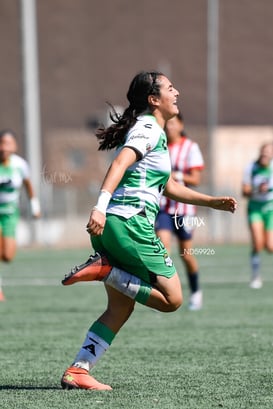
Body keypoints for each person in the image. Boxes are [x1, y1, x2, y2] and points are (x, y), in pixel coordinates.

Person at [61, 70, 237, 391]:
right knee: (172, 299)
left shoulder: (154, 131)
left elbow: (168, 185)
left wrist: (212, 202)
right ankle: (106, 271)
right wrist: (99, 205)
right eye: (171, 88)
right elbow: (119, 165)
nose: (178, 92)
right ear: (154, 100)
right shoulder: (146, 128)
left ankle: (79, 370)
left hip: (113, 225)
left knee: (120, 307)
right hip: (129, 223)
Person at [155, 113, 205, 311]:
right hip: (164, 209)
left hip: (185, 211)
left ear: (181, 124)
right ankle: (163, 294)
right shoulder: (160, 145)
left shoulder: (191, 147)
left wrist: (176, 175)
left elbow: (196, 179)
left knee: (186, 254)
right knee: (162, 250)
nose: (170, 127)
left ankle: (196, 292)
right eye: (167, 124)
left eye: (174, 123)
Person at [0, 129, 41, 301]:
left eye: (8, 143)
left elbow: (28, 185)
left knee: (7, 256)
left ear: (15, 146)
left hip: (10, 213)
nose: (4, 147)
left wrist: (34, 205)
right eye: (1, 143)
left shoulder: (20, 165)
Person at [242, 142, 273, 289]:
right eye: (264, 152)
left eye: (269, 152)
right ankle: (256, 276)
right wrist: (256, 189)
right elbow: (244, 191)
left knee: (270, 246)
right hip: (255, 209)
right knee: (258, 243)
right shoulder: (251, 168)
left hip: (270, 209)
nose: (266, 155)